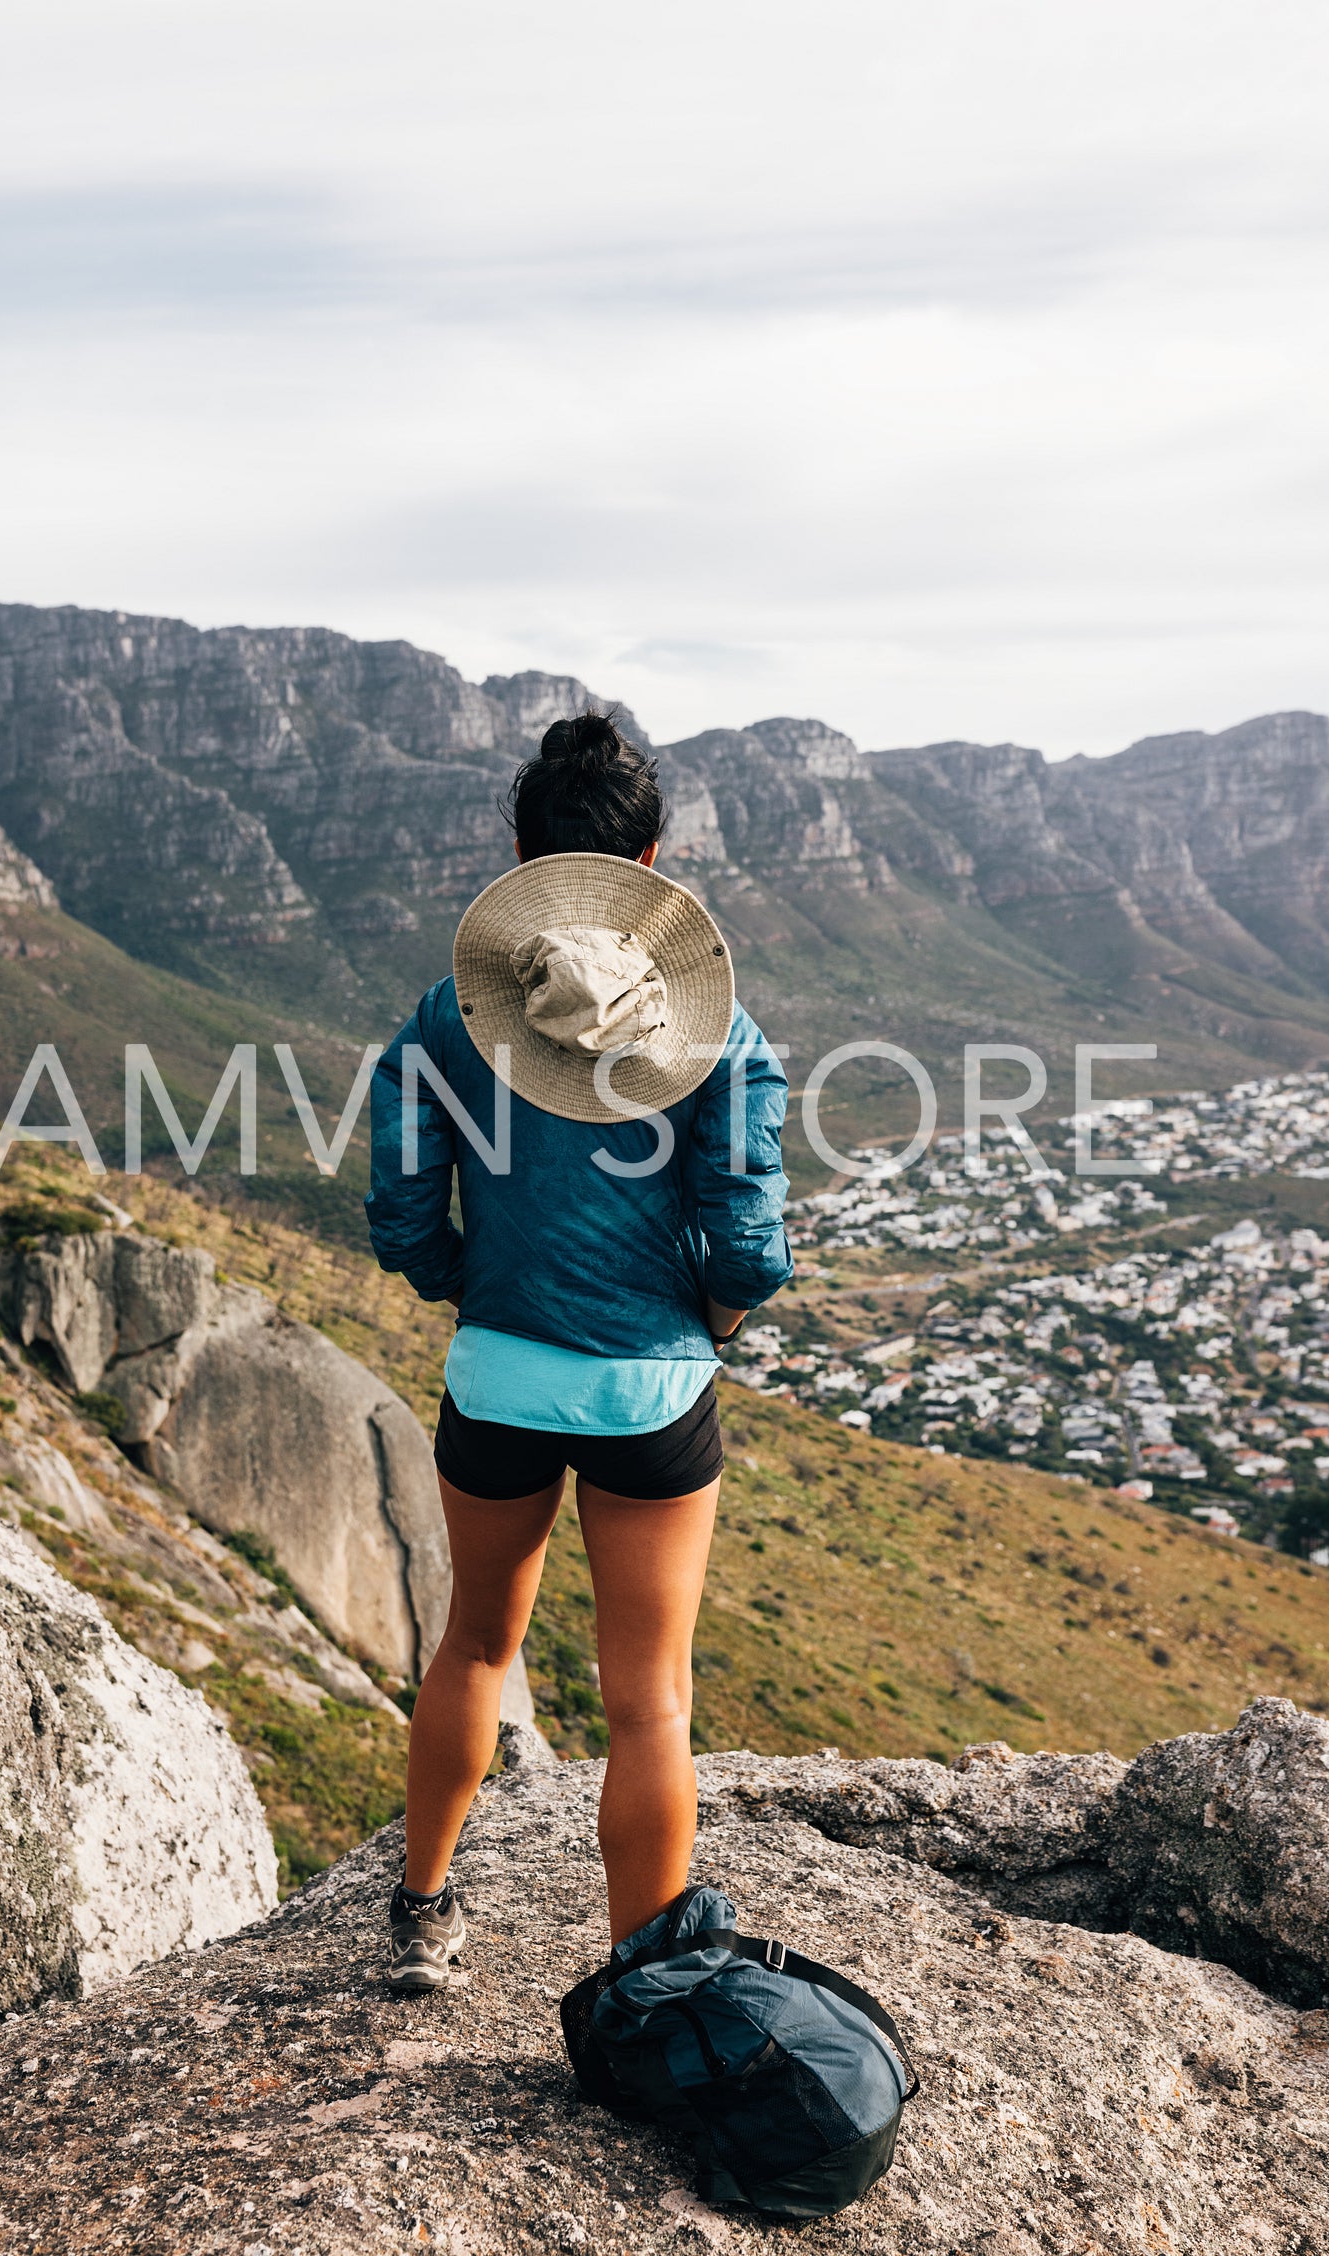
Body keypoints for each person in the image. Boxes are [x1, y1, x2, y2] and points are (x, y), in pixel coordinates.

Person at [365, 709, 792, 1990]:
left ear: (520, 856)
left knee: (476, 1647)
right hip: (651, 1391)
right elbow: (750, 1241)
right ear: (650, 864)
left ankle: (421, 1913)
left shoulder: (446, 1021)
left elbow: (399, 1206)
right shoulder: (723, 1037)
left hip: (493, 1375)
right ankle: (643, 1983)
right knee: (647, 1701)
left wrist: (468, 1286)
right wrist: (704, 1326)